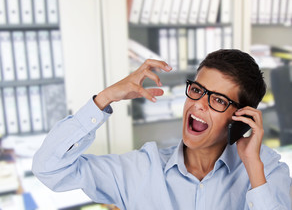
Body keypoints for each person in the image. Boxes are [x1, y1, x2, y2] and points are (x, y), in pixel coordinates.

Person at [32, 49, 291, 209]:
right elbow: (49, 169)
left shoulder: (265, 170)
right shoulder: (140, 170)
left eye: (218, 100)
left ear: (241, 117)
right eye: (198, 90)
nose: (199, 105)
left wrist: (253, 169)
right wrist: (105, 98)